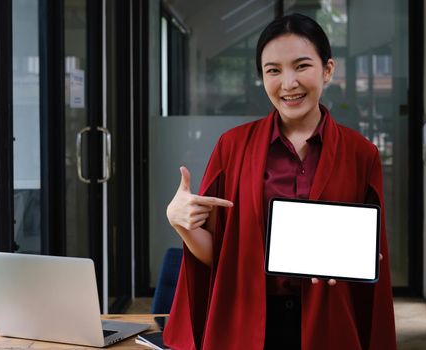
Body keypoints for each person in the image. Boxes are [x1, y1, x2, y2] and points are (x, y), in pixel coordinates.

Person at [164, 13, 396, 350]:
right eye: (273, 70)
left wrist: (359, 260)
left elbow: (371, 258)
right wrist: (180, 223)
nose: (288, 83)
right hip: (249, 322)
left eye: (302, 66)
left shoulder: (361, 154)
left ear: (327, 70)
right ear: (262, 77)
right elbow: (221, 257)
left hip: (328, 322)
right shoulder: (232, 147)